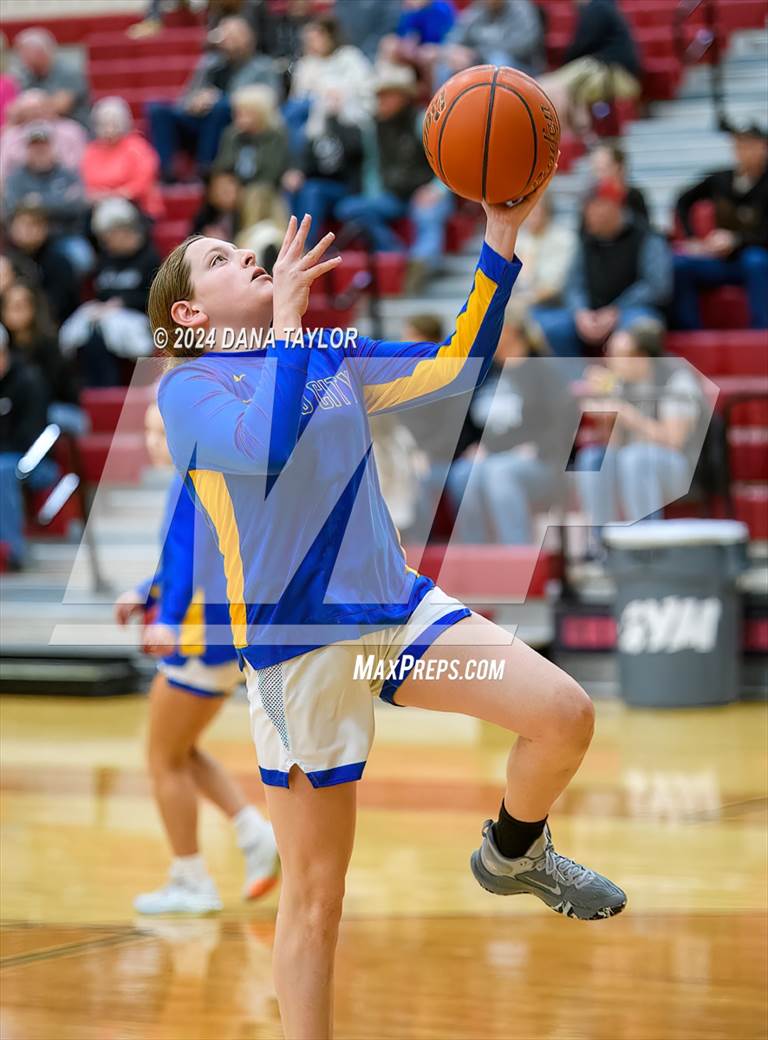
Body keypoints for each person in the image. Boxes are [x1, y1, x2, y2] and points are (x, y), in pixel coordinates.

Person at [147, 158, 627, 1038]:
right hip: (299, 650)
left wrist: (500, 238)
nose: (247, 256)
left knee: (563, 715)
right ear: (188, 315)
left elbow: (452, 366)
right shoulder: (187, 392)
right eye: (219, 259)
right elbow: (265, 448)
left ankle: (514, 851)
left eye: (240, 250)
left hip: (394, 611)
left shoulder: (329, 355)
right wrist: (287, 324)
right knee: (316, 897)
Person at [115, 402, 279, 914]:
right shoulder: (212, 471)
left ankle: (191, 880)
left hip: (198, 634)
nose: (152, 442)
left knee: (162, 757)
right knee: (180, 750)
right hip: (219, 632)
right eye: (146, 431)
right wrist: (146, 590)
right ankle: (254, 835)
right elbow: (189, 557)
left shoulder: (194, 476)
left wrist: (168, 616)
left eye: (160, 430)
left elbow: (193, 560)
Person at [446, 306, 577, 545]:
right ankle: (475, 553)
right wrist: (471, 446)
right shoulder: (484, 372)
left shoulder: (544, 369)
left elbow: (565, 420)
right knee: (462, 473)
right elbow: (466, 422)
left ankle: (516, 552)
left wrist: (539, 447)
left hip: (540, 462)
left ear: (511, 330)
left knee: (500, 472)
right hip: (492, 458)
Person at [575, 320, 704, 556]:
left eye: (617, 356)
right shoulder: (621, 383)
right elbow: (613, 448)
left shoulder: (676, 378)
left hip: (682, 469)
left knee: (635, 458)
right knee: (592, 458)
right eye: (608, 354)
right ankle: (602, 546)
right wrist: (605, 411)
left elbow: (674, 440)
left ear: (641, 357)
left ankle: (648, 548)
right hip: (632, 464)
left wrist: (626, 413)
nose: (610, 362)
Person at [334, 64, 453, 291]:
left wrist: (436, 189)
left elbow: (446, 161)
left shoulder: (422, 120)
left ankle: (421, 264)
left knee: (429, 215)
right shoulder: (373, 127)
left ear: (402, 97)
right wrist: (374, 194)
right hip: (392, 196)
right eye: (379, 96)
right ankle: (397, 255)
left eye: (386, 95)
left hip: (423, 191)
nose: (381, 101)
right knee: (349, 208)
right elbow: (372, 165)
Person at [535, 178, 672, 375]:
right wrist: (580, 312)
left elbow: (657, 286)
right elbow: (573, 284)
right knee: (550, 327)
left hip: (631, 310)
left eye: (593, 211)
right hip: (590, 312)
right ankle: (576, 383)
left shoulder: (647, 236)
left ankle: (629, 386)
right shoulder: (586, 240)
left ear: (613, 208)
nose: (588, 218)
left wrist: (616, 310)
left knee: (639, 329)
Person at [147, 16, 279, 181]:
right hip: (199, 119)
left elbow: (269, 101)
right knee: (157, 109)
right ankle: (165, 171)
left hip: (232, 123)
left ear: (248, 38)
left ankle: (205, 169)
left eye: (233, 35)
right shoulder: (209, 63)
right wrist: (194, 102)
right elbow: (184, 99)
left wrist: (220, 99)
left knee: (220, 107)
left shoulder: (263, 67)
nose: (228, 40)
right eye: (225, 35)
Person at [673, 122, 768, 330]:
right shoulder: (721, 179)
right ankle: (691, 333)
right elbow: (683, 200)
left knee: (756, 261)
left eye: (751, 146)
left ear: (763, 147)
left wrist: (736, 240)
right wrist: (692, 238)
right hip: (720, 259)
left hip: (756, 258)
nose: (746, 152)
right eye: (740, 146)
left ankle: (761, 333)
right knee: (679, 265)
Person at [59, 198, 159, 386]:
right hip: (105, 318)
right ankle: (97, 390)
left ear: (123, 231)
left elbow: (157, 300)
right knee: (87, 328)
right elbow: (99, 294)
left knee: (108, 328)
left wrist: (123, 303)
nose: (106, 243)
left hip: (139, 320)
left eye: (108, 237)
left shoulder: (151, 259)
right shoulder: (106, 260)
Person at [0, 327, 58, 570]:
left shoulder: (29, 380)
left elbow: (31, 438)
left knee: (2, 471)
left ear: (4, 353)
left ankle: (13, 551)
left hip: (35, 461)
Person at [540, 0, 642, 137]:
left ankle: (567, 136)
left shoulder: (597, 7)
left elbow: (580, 47)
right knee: (559, 89)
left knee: (551, 88)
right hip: (618, 74)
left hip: (617, 74)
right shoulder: (605, 7)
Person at [2, 121, 92, 274]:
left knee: (81, 258)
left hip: (62, 235)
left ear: (52, 147)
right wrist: (56, 202)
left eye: (43, 145)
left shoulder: (67, 174)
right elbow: (11, 207)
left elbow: (76, 206)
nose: (39, 150)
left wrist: (37, 202)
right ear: (27, 149)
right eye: (34, 146)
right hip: (23, 239)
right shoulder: (15, 178)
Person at [284, 16, 373, 156]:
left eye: (317, 37)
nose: (312, 43)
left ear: (329, 35)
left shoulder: (350, 57)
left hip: (351, 117)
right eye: (308, 40)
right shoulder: (305, 66)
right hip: (315, 122)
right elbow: (297, 99)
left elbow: (366, 88)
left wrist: (342, 96)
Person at [282, 100, 364, 249]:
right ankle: (287, 243)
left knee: (313, 190)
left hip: (343, 188)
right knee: (295, 189)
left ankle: (303, 246)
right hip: (316, 186)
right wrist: (296, 172)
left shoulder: (353, 129)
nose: (329, 102)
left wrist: (335, 119)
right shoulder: (313, 131)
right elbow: (305, 164)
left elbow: (354, 150)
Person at [213, 84, 289, 228]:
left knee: (255, 195)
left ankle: (248, 235)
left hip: (265, 189)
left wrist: (243, 189)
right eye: (238, 113)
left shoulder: (275, 136)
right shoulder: (231, 135)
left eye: (247, 113)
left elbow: (271, 172)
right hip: (235, 187)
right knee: (222, 190)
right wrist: (231, 186)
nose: (240, 118)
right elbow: (223, 165)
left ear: (261, 114)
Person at [81, 97, 164, 220]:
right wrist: (98, 196)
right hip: (97, 205)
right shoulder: (91, 150)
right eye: (103, 124)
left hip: (135, 206)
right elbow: (85, 182)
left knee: (114, 213)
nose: (109, 129)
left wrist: (118, 194)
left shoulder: (138, 147)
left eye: (113, 124)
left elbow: (144, 180)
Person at [1, 280, 79, 408]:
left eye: (19, 307)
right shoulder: (3, 344)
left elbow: (56, 386)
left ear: (33, 308)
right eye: (8, 307)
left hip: (55, 405)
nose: (13, 313)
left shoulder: (48, 343)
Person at [3, 202, 81, 323]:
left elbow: (60, 306)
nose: (28, 231)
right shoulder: (6, 262)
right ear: (12, 227)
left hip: (53, 325)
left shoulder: (59, 262)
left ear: (45, 228)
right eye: (23, 224)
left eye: (35, 224)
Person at [0, 88, 87, 182]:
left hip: (65, 182)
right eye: (31, 111)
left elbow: (82, 163)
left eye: (40, 109)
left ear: (50, 108)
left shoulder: (71, 130)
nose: (36, 114)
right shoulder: (11, 135)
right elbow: (3, 169)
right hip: (20, 184)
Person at [442, 0, 544, 78]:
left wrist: (478, 53)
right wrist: (456, 51)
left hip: (520, 66)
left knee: (498, 61)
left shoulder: (522, 9)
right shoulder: (477, 9)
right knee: (447, 65)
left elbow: (524, 45)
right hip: (478, 61)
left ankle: (500, 100)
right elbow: (454, 37)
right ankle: (444, 100)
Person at [12, 28, 91, 127]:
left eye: (25, 53)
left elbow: (61, 106)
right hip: (36, 130)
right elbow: (14, 110)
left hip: (72, 128)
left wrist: (29, 109)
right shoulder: (26, 76)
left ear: (41, 52)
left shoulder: (69, 72)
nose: (21, 58)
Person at [513, 195, 577, 311]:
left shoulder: (564, 240)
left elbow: (554, 286)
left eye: (534, 212)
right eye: (526, 212)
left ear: (547, 213)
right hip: (522, 302)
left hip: (553, 306)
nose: (529, 217)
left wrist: (523, 301)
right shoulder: (519, 240)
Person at [590, 144, 649, 224]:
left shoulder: (634, 196)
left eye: (603, 169)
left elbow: (643, 226)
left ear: (618, 167)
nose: (599, 175)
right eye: (596, 169)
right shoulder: (592, 197)